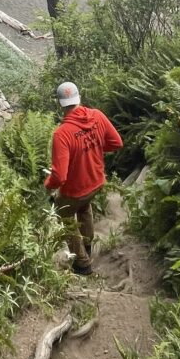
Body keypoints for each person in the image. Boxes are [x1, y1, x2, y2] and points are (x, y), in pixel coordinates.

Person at [45, 81, 123, 275]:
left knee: (66, 217)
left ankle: (82, 263)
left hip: (75, 189)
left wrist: (48, 185)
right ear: (79, 97)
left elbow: (59, 176)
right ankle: (87, 246)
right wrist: (94, 149)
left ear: (60, 103)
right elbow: (116, 142)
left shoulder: (62, 134)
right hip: (96, 182)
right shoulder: (97, 116)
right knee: (84, 207)